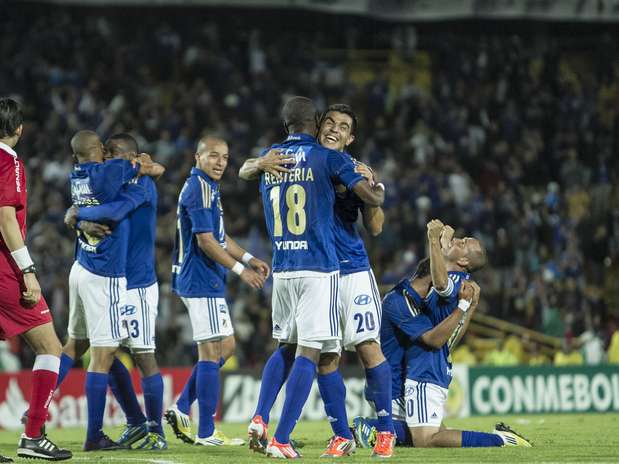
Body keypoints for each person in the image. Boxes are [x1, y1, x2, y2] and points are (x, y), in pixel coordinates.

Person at [240, 103, 395, 458]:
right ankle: (342, 435)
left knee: (368, 348)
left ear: (351, 136)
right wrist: (258, 163)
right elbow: (247, 167)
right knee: (326, 358)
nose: (335, 129)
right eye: (330, 122)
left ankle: (385, 431)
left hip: (350, 269)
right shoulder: (310, 161)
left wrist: (373, 185)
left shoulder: (348, 166)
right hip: (319, 272)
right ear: (318, 125)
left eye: (344, 126)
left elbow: (375, 226)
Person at [356, 220, 532, 448]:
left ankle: (372, 428)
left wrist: (434, 241)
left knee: (427, 438)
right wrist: (466, 307)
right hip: (408, 376)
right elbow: (445, 338)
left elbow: (439, 293)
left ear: (464, 261)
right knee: (432, 433)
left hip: (421, 370)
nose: (459, 239)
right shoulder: (406, 300)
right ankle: (501, 438)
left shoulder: (453, 284)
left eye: (464, 242)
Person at [63, 133, 167, 449]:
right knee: (102, 351)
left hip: (138, 286)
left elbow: (112, 211)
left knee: (143, 356)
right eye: (106, 153)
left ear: (131, 156)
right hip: (115, 280)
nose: (108, 158)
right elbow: (91, 200)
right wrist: (77, 217)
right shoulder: (115, 181)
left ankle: (154, 430)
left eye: (114, 154)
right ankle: (135, 421)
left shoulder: (141, 186)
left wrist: (76, 215)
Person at [167, 135, 269, 446]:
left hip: (205, 279)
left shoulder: (208, 187)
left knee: (226, 346)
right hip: (201, 279)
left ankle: (182, 407)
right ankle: (206, 432)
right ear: (197, 157)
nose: (221, 162)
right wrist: (241, 271)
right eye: (213, 155)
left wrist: (250, 258)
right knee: (211, 352)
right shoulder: (198, 188)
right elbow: (206, 241)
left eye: (224, 156)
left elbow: (221, 238)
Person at [0, 98, 72, 461]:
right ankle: (32, 435)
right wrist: (28, 270)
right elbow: (6, 219)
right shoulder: (7, 160)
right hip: (4, 272)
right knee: (50, 347)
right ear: (19, 130)